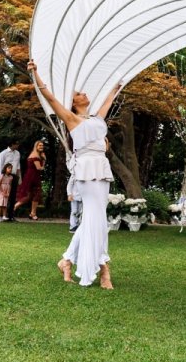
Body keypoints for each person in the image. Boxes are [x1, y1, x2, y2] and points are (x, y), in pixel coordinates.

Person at [28, 60, 120, 289]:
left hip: (101, 167)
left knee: (94, 218)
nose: (84, 94)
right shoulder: (71, 119)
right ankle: (103, 269)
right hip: (87, 169)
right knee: (96, 218)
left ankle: (67, 260)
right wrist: (35, 74)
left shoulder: (97, 118)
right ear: (73, 102)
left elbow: (110, 97)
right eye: (78, 93)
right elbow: (50, 98)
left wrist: (117, 83)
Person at [14, 141, 46, 220]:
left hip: (31, 176)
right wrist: (44, 160)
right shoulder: (35, 156)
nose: (41, 147)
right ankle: (31, 213)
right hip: (33, 177)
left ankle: (32, 213)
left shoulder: (36, 155)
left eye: (42, 145)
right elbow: (39, 168)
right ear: (36, 146)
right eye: (40, 145)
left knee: (30, 196)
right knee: (35, 195)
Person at [0, 140, 21, 222]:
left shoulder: (17, 153)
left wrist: (19, 177)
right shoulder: (3, 153)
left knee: (12, 196)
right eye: (16, 144)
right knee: (1, 197)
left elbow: (18, 166)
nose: (18, 145)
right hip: (4, 175)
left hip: (13, 176)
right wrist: (0, 177)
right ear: (12, 144)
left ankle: (10, 215)